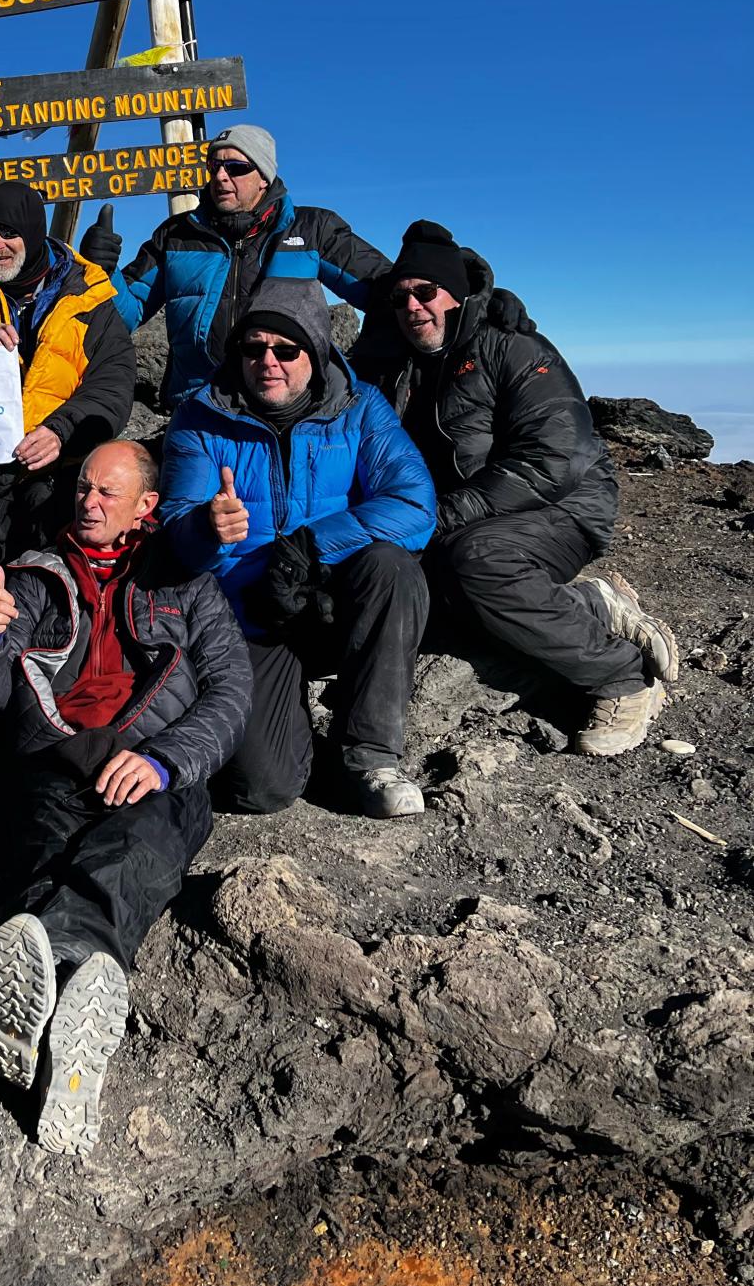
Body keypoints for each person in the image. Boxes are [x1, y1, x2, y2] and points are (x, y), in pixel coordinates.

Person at [0, 439, 251, 1155]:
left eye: (107, 494)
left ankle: (49, 999)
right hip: (58, 757)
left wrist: (163, 762)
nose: (87, 503)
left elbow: (230, 690)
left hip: (153, 766)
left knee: (137, 845)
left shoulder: (186, 579)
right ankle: (74, 1030)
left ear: (146, 507)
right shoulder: (34, 576)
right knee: (43, 851)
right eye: (83, 489)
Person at [372, 220, 677, 757]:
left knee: (477, 561)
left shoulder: (511, 346)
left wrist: (439, 518)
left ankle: (622, 677)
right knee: (402, 585)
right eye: (400, 298)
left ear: (455, 293)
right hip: (472, 514)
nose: (413, 306)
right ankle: (587, 604)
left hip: (563, 503)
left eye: (426, 292)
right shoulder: (402, 363)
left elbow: (553, 458)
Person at [160, 279, 436, 819]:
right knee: (260, 790)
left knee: (391, 566)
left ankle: (371, 758)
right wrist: (206, 528)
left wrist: (311, 546)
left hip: (336, 602)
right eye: (253, 348)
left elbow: (415, 505)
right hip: (252, 612)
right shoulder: (200, 417)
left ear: (315, 352)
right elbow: (174, 528)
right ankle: (300, 744)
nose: (269, 361)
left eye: (287, 349)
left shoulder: (360, 408)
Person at [81, 124, 392, 413]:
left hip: (286, 411)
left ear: (264, 178)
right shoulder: (176, 236)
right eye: (214, 166)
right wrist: (101, 271)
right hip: (197, 409)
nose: (220, 176)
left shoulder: (313, 229)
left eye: (236, 168)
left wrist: (363, 367)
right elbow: (124, 315)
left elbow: (391, 293)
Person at [0, 181, 135, 573]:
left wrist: (60, 430)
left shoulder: (87, 294)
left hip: (57, 467)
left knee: (61, 552)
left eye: (10, 233)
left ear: (33, 234)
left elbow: (113, 382)